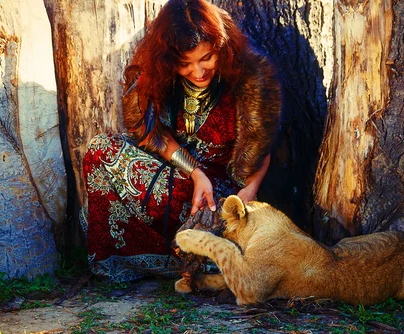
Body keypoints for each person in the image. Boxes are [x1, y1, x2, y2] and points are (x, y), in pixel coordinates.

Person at [81, 0, 282, 282]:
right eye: (185, 63)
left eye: (206, 58)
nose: (198, 72)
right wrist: (195, 173)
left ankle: (195, 258)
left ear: (220, 47)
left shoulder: (249, 75)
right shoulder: (156, 74)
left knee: (208, 210)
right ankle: (151, 258)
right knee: (101, 149)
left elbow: (261, 146)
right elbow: (152, 134)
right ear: (169, 60)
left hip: (219, 196)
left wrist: (248, 194)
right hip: (182, 176)